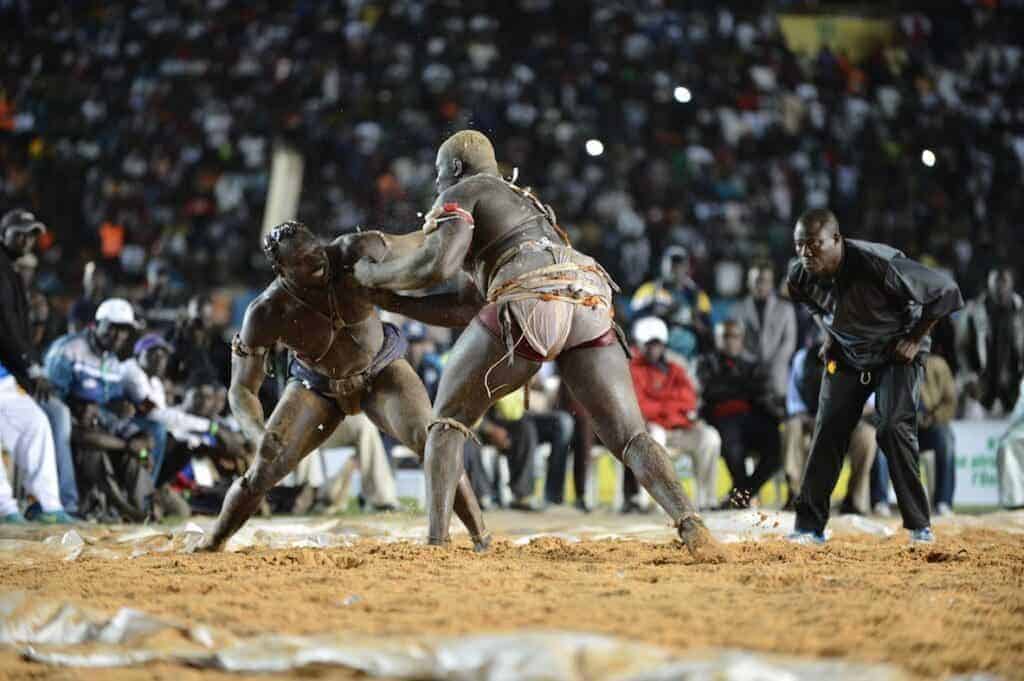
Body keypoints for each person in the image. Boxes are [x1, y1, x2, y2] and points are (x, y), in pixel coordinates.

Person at [353, 130, 718, 557]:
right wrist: (393, 301)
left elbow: (439, 263)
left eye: (438, 174)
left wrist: (373, 279)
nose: (436, 185)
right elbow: (466, 307)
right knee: (630, 435)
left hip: (527, 297)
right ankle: (691, 523)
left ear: (454, 168)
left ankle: (437, 544)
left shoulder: (463, 190)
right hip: (587, 299)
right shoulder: (523, 201)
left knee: (446, 423)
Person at [198, 220, 489, 552]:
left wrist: (456, 228)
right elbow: (242, 389)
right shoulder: (267, 311)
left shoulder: (357, 251)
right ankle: (215, 540)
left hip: (382, 371)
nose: (317, 262)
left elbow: (419, 243)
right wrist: (255, 432)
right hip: (317, 386)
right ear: (282, 270)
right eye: (303, 262)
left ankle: (481, 537)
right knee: (265, 467)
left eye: (317, 251)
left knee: (432, 439)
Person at [786, 208, 963, 544]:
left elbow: (947, 291)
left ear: (836, 239)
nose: (806, 253)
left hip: (896, 351)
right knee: (828, 429)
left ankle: (918, 526)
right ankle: (808, 527)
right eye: (799, 245)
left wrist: (914, 338)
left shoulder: (878, 263)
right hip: (848, 354)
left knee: (892, 426)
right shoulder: (800, 276)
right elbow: (810, 303)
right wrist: (830, 333)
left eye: (814, 244)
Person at [628, 316, 721, 511]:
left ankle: (707, 499)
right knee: (656, 436)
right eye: (649, 344)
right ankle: (651, 501)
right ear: (640, 345)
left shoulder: (676, 369)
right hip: (654, 430)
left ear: (663, 345)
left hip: (679, 429)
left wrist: (665, 410)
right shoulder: (633, 369)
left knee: (710, 437)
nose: (653, 349)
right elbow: (640, 406)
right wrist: (673, 409)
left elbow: (689, 401)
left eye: (657, 344)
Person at [784, 337, 876, 515]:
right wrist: (811, 417)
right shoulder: (803, 358)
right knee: (792, 426)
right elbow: (793, 403)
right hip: (812, 420)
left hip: (848, 421)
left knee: (868, 436)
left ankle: (854, 502)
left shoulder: (863, 357)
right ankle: (797, 496)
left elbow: (870, 403)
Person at [697, 319, 782, 508]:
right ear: (718, 339)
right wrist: (741, 388)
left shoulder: (752, 364)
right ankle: (741, 496)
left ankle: (741, 494)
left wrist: (731, 388)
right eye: (726, 336)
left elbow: (762, 392)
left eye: (735, 336)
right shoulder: (706, 362)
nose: (730, 341)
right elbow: (709, 392)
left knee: (777, 447)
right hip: (721, 418)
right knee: (733, 447)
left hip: (750, 418)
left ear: (741, 339)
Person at [630, 246, 713, 361]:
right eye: (672, 264)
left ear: (687, 267)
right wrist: (659, 314)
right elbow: (635, 322)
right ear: (663, 265)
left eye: (680, 264)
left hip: (689, 348)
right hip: (656, 348)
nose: (676, 268)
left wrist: (695, 319)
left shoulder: (698, 294)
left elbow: (707, 330)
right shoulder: (648, 290)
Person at [960, 266, 1023, 414]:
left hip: (1015, 386)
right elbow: (961, 347)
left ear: (1011, 284)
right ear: (989, 284)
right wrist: (968, 375)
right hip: (980, 387)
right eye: (997, 282)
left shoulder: (1020, 311)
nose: (1001, 287)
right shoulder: (974, 310)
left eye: (1004, 282)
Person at [735, 262, 797, 399]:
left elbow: (789, 342)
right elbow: (737, 342)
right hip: (748, 375)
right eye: (757, 280)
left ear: (771, 283)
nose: (761, 285)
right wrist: (753, 363)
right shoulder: (738, 309)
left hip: (777, 376)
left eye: (765, 281)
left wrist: (773, 364)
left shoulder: (786, 308)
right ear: (749, 282)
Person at [918, 349, 957, 515]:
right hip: (899, 427)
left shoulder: (938, 365)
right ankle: (879, 500)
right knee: (879, 436)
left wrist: (933, 417)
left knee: (946, 437)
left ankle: (943, 501)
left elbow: (950, 402)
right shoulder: (891, 362)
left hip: (929, 427)